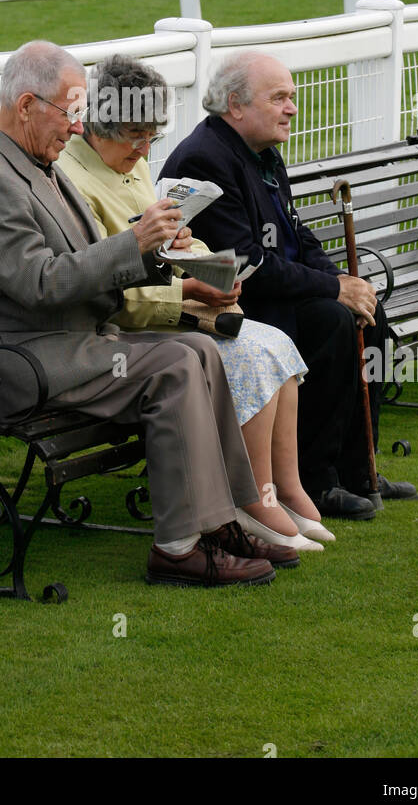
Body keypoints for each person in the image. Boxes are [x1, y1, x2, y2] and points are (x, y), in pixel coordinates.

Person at [0, 40, 289, 588]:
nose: (78, 128)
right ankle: (177, 548)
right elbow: (40, 283)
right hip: (11, 362)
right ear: (27, 105)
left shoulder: (35, 161)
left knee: (199, 349)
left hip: (61, 343)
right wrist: (134, 244)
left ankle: (224, 518)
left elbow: (81, 267)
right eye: (71, 112)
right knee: (176, 364)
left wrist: (157, 253)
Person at [58, 55, 334, 552]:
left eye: (151, 137)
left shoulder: (132, 164)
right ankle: (248, 499)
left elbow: (175, 238)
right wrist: (187, 289)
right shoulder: (74, 181)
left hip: (169, 313)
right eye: (134, 136)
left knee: (274, 342)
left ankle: (284, 488)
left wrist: (212, 268)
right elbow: (107, 287)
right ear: (96, 125)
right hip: (123, 331)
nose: (144, 150)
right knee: (248, 351)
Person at [161, 51, 418, 519]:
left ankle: (359, 467)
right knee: (333, 320)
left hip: (278, 294)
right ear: (235, 105)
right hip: (235, 307)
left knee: (367, 312)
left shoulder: (262, 153)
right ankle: (316, 482)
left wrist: (340, 280)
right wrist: (331, 291)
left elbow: (295, 234)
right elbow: (245, 263)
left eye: (292, 98)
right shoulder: (206, 158)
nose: (292, 109)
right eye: (279, 97)